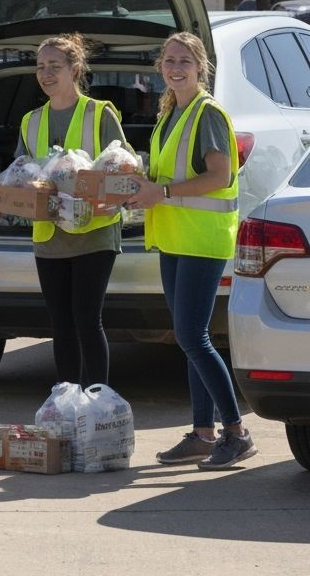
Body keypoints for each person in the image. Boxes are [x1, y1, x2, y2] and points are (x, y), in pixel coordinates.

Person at [126, 32, 256, 469]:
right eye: (169, 60)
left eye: (185, 61)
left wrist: (159, 191)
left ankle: (235, 432)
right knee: (187, 340)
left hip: (201, 239)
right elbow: (168, 178)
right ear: (160, 67)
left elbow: (218, 176)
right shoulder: (172, 113)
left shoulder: (207, 113)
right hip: (175, 239)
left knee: (193, 337)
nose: (176, 67)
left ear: (201, 68)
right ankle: (203, 433)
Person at [16, 33, 127, 389]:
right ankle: (66, 403)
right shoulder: (30, 120)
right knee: (60, 323)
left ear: (75, 69)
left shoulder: (100, 113)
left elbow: (124, 169)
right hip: (49, 236)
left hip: (94, 232)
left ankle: (98, 402)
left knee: (86, 319)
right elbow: (20, 172)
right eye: (40, 67)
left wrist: (95, 193)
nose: (46, 74)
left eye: (54, 66)